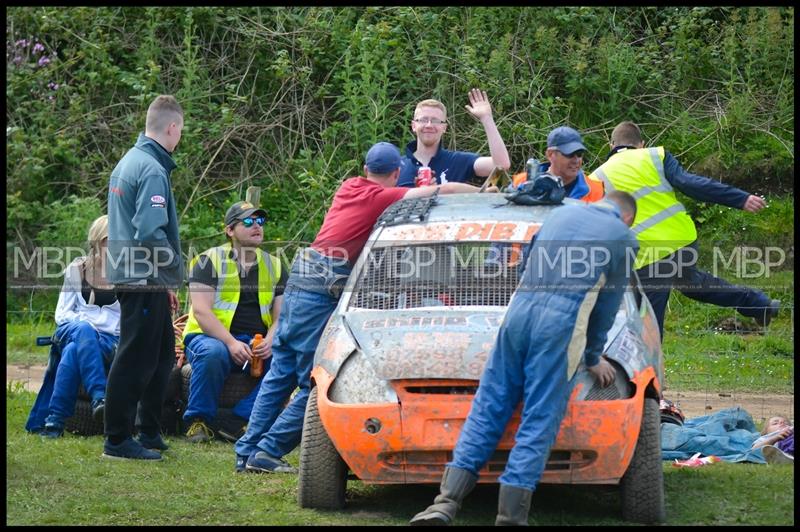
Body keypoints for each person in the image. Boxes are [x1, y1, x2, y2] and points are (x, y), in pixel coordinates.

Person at [235, 142, 490, 473]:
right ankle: (267, 451)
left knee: (280, 372)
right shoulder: (381, 197)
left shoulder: (349, 186)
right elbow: (443, 189)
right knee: (313, 379)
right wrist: (486, 192)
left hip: (303, 273)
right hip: (321, 285)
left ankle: (246, 450)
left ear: (366, 169)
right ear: (397, 174)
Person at [410, 191, 639, 526]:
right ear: (628, 217)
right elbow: (606, 306)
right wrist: (592, 356)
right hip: (560, 328)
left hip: (517, 317)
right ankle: (510, 518)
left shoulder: (559, 216)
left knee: (488, 407)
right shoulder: (623, 238)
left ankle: (443, 504)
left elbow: (525, 266)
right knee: (538, 421)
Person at [588, 121, 779, 338]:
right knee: (693, 284)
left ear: (611, 145)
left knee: (647, 325)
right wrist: (739, 198)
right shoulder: (654, 155)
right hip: (682, 242)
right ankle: (758, 304)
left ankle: (649, 369)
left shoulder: (595, 179)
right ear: (640, 144)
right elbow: (690, 183)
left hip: (649, 255)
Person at [104, 94, 184, 460]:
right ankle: (118, 440)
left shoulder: (129, 161)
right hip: (141, 278)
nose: (179, 135)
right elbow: (150, 233)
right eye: (180, 129)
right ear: (172, 127)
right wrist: (171, 271)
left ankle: (148, 430)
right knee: (134, 357)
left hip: (140, 276)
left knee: (163, 353)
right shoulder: (151, 170)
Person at [181, 201, 286, 443]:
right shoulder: (208, 260)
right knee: (213, 353)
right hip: (209, 336)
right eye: (248, 221)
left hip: (255, 340)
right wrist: (230, 343)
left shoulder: (275, 265)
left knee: (286, 358)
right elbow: (201, 311)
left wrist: (270, 340)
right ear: (230, 230)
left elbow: (282, 316)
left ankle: (240, 421)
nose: (256, 226)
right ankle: (198, 422)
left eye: (260, 221)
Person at [25, 215, 120, 438]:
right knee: (83, 332)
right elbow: (62, 313)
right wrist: (85, 325)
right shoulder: (76, 269)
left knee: (71, 351)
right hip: (72, 329)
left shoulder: (126, 275)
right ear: (97, 241)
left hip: (108, 340)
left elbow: (125, 321)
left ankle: (54, 422)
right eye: (109, 240)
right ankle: (99, 394)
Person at [397, 89, 511, 187]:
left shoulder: (457, 161)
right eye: (423, 120)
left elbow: (501, 165)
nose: (429, 125)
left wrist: (486, 118)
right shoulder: (396, 167)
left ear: (444, 128)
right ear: (413, 126)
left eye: (436, 121)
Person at [510, 126, 605, 202]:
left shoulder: (595, 192)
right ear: (550, 154)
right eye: (570, 154)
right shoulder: (520, 182)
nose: (576, 160)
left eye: (579, 154)